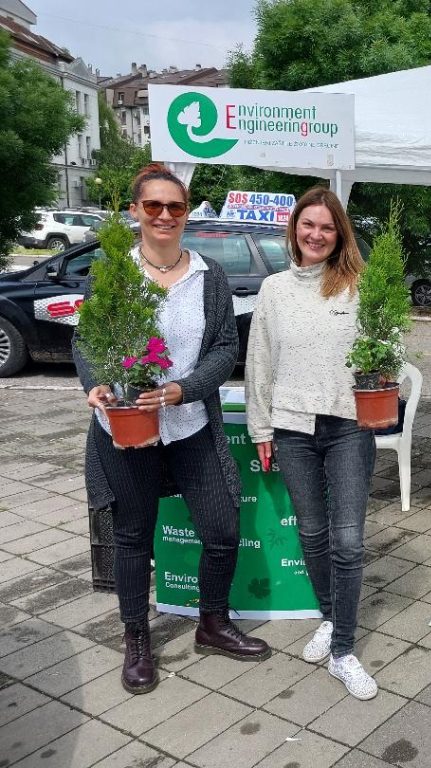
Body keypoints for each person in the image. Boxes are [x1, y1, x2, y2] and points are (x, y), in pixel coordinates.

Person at [75, 163, 270, 696]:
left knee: (222, 528)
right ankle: (136, 637)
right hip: (125, 425)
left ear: (187, 214)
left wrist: (187, 388)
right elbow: (85, 340)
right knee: (133, 535)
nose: (164, 216)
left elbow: (227, 347)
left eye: (175, 207)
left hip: (188, 424)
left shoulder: (209, 276)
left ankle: (212, 622)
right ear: (135, 211)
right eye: (153, 206)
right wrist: (92, 383)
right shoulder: (113, 271)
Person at [245, 187, 379, 700]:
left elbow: (384, 350)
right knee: (313, 533)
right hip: (293, 428)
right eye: (309, 225)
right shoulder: (275, 289)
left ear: (339, 233)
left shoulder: (358, 285)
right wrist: (262, 428)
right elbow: (260, 360)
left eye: (327, 227)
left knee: (347, 541)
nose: (317, 235)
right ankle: (329, 614)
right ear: (295, 229)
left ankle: (344, 651)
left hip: (348, 425)